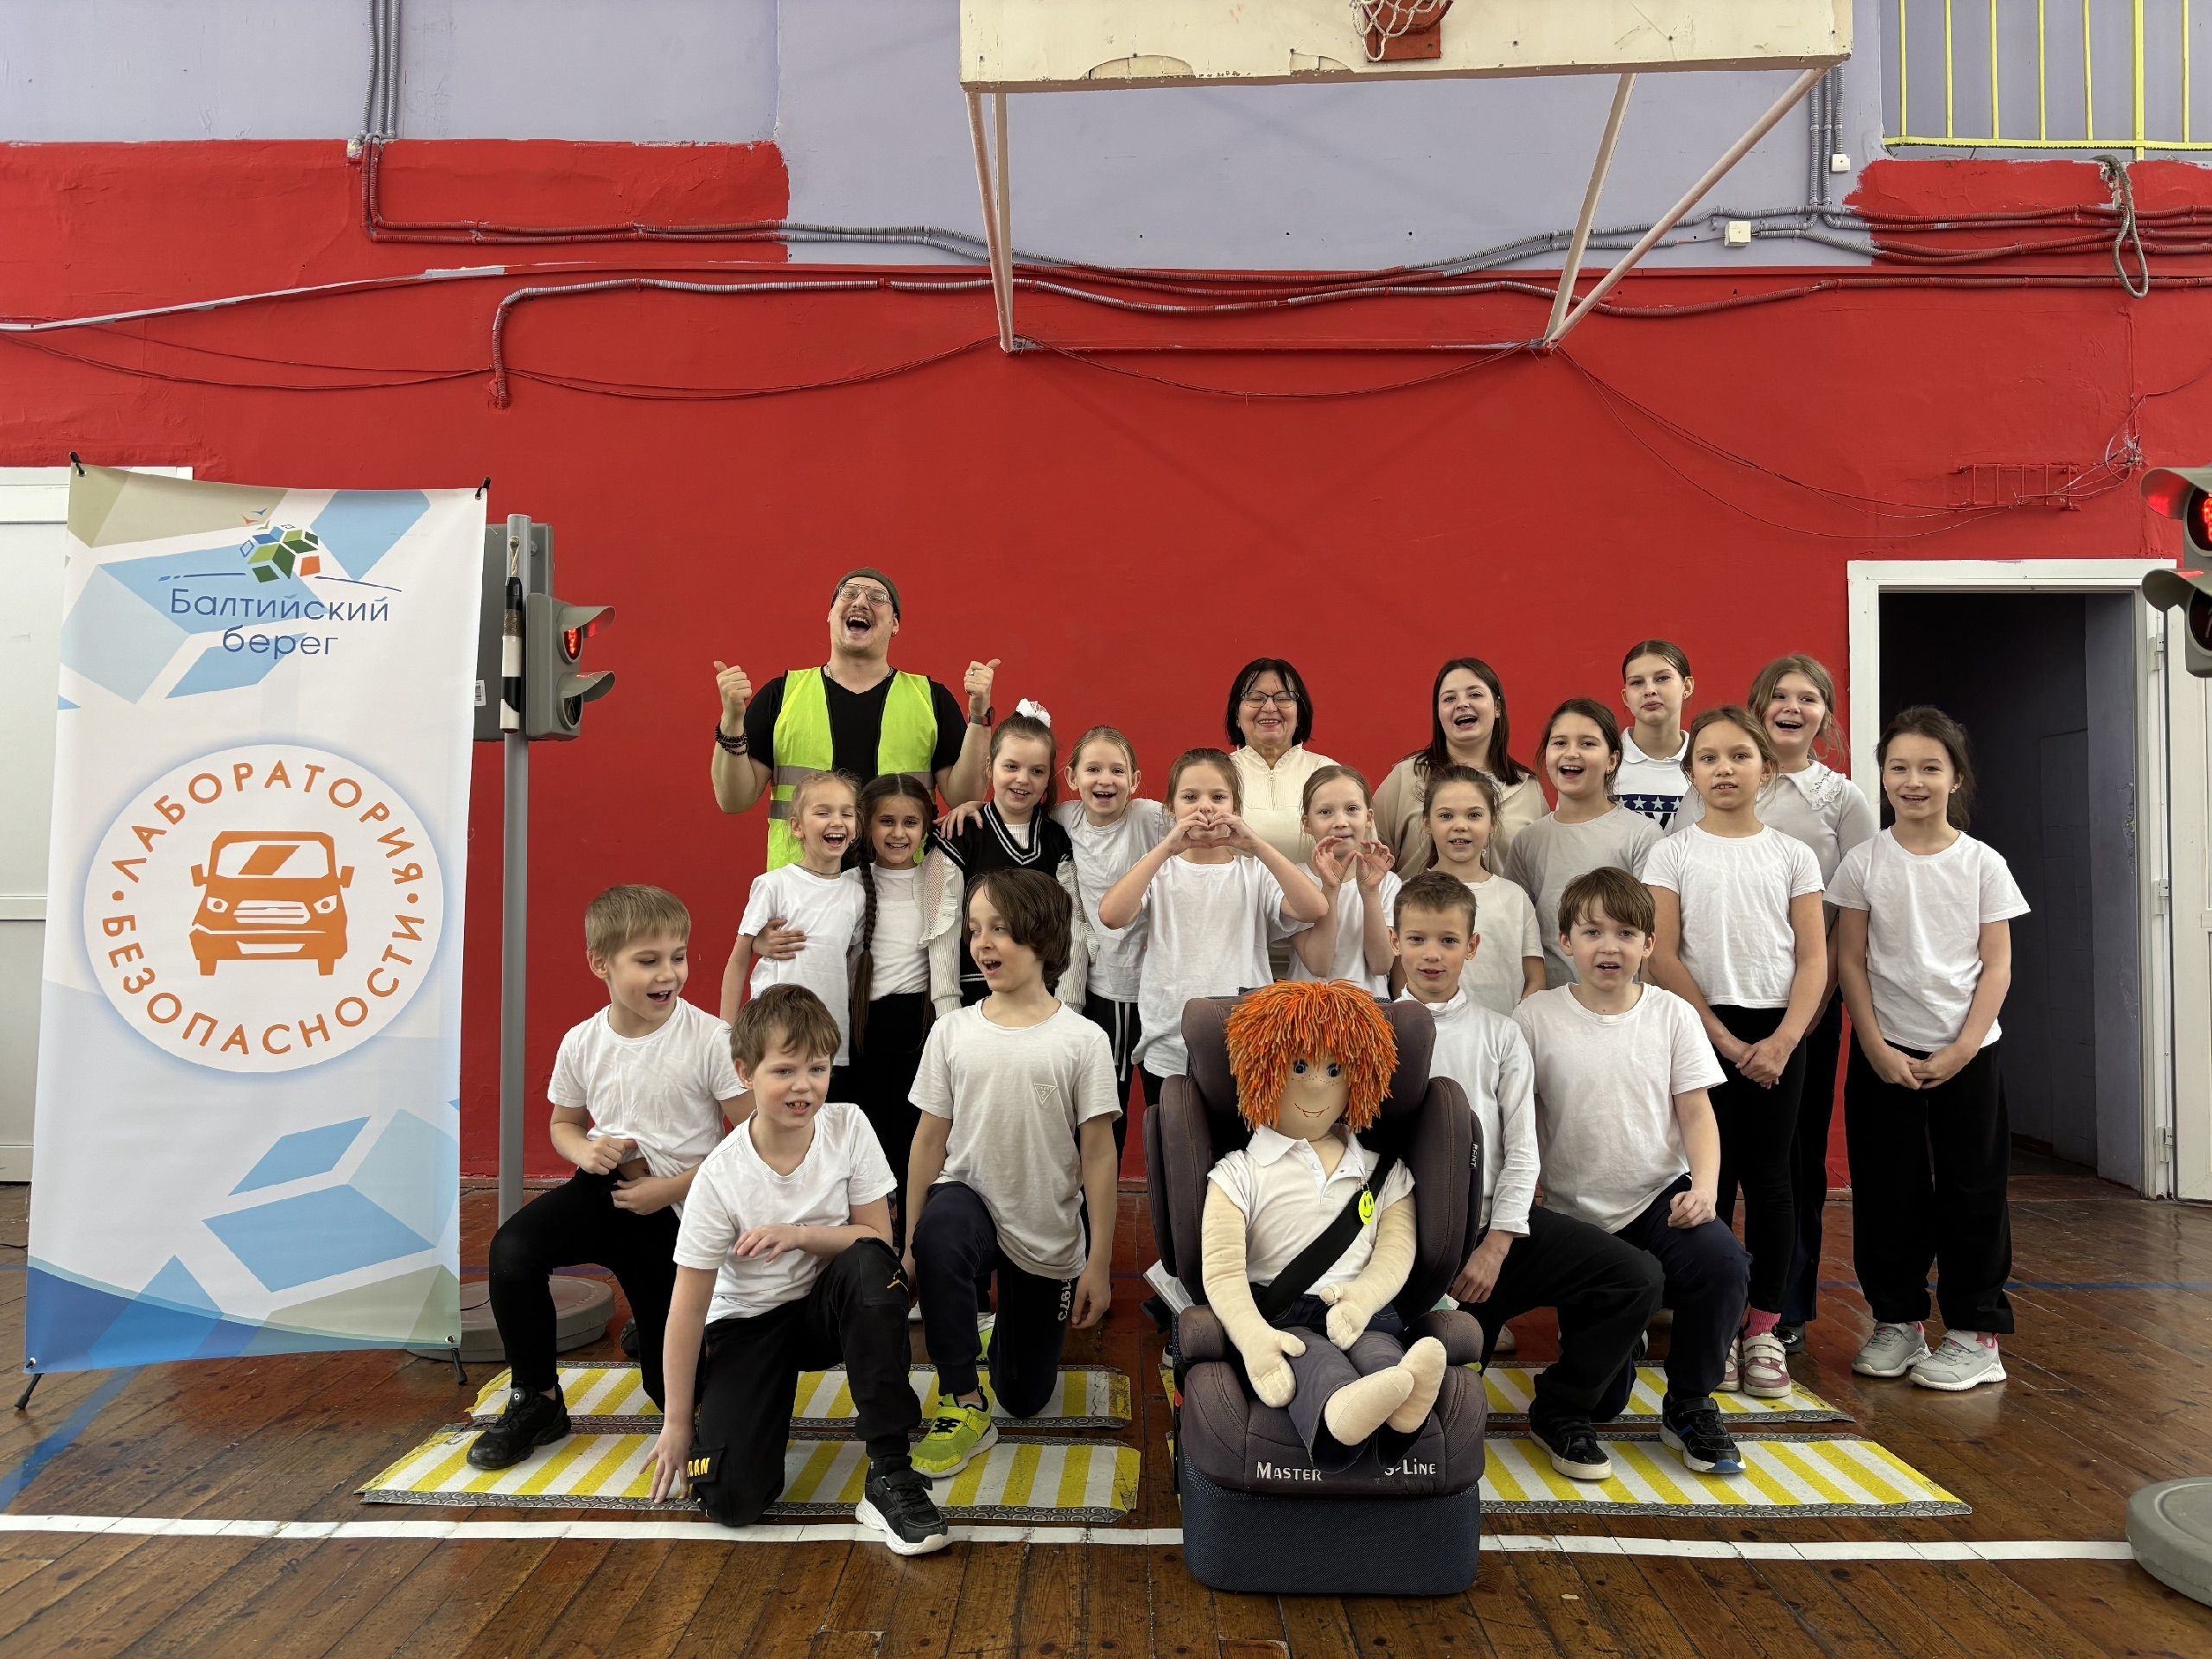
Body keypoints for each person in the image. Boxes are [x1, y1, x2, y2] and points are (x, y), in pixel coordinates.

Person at [646, 986, 949, 1554]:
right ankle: (738, 1407)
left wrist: (799, 1235)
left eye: (817, 1068)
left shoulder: (848, 1126)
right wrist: (677, 1423)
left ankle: (890, 1469)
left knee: (872, 1268)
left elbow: (876, 1240)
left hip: (822, 1313)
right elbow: (686, 1310)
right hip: (749, 1324)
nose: (804, 1085)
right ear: (745, 1073)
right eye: (784, 1070)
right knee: (733, 1502)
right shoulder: (720, 1176)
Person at [1392, 871, 1664, 1483]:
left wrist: (1496, 1244)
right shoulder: (1372, 1031)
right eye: (1417, 939)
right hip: (1405, 1250)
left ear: (1472, 947)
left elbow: (1522, 1150)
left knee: (1636, 1277)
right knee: (1430, 1411)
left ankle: (1562, 1407)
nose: (1432, 954)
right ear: (1394, 941)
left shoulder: (1500, 1034)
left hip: (1492, 1242)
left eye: (1448, 940)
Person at [470, 886, 746, 1471]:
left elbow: (750, 1139)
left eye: (678, 956)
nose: (668, 973)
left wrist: (671, 1189)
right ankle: (537, 1399)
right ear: (601, 964)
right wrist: (586, 1149)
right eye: (648, 960)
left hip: (677, 1208)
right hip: (604, 1194)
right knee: (513, 1251)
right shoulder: (583, 1041)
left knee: (674, 1393)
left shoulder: (710, 1039)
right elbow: (564, 1124)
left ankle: (664, 1336)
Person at [1511, 868, 1751, 1477]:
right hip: (1571, 1215)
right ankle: (1561, 1405)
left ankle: (1690, 1404)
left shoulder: (1672, 1014)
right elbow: (1517, 1113)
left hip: (1655, 1198)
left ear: (1649, 944)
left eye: (1625, 933)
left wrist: (1705, 1187)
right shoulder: (1536, 1016)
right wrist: (1523, 1184)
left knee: (1722, 1261)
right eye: (1592, 932)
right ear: (1565, 941)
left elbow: (1696, 1112)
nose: (1609, 947)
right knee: (1605, 1403)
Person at [1671, 654, 1875, 1353]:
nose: (1793, 706)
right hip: (1712, 1017)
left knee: (1787, 1168)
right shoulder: (1692, 821)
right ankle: (1714, 1308)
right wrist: (1722, 1036)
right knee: (1713, 1166)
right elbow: (1674, 934)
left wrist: (1798, 1026)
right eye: (1779, 695)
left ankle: (1779, 1313)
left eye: (1808, 697)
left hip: (1800, 1011)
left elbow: (1842, 922)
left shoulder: (1835, 806)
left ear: (1825, 715)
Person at [1831, 706, 2028, 1392]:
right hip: (1885, 1053)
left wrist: (1964, 1048)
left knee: (1974, 1190)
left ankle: (1976, 1334)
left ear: (1955, 778)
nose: (1913, 781)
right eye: (1899, 768)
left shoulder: (1983, 864)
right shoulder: (1863, 862)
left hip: (1967, 1055)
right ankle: (1898, 1321)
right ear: (1883, 777)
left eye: (1929, 768)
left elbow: (1997, 966)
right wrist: (1875, 1046)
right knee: (1888, 1191)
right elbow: (1850, 961)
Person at [906, 869, 1122, 1478]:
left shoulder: (1083, 1039)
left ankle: (1004, 1338)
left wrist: (1099, 1262)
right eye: (976, 929)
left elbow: (1099, 1155)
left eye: (1000, 928)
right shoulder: (951, 1031)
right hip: (967, 1200)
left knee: (1025, 1398)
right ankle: (963, 1400)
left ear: (1043, 937)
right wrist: (910, 1242)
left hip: (1045, 1229)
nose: (983, 943)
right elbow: (928, 1140)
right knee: (941, 1232)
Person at [1642, 709, 1827, 1399]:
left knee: (1772, 1182)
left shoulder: (1794, 855)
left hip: (1779, 1035)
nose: (1724, 769)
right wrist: (1718, 1036)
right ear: (1691, 774)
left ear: (1765, 770)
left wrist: (1785, 1039)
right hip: (1700, 1027)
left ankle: (1765, 1328)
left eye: (1739, 756)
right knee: (1707, 1183)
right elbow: (1663, 953)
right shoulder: (1672, 853)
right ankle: (1714, 1325)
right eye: (1710, 758)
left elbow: (1813, 958)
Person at [709, 567, 997, 868]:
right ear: (830, 614)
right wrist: (732, 721)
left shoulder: (930, 699)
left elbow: (965, 798)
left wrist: (979, 716)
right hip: (803, 885)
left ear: (895, 624)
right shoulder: (782, 695)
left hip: (901, 882)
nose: (860, 602)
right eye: (848, 594)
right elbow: (733, 800)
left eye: (877, 597)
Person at [1099, 749, 1330, 1112]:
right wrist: (1165, 848)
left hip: (1248, 1041)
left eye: (1218, 797)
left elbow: (1314, 908)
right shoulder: (1159, 870)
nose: (1204, 807)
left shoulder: (1253, 873)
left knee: (1244, 1143)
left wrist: (1256, 844)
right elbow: (1111, 915)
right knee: (1175, 1138)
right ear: (1171, 809)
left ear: (1237, 808)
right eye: (1190, 797)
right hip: (1169, 1044)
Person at [845, 774, 961, 1249]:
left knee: (915, 1138)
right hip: (861, 1028)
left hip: (919, 1026)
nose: (898, 833)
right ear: (866, 826)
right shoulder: (849, 883)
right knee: (868, 1139)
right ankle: (874, 1242)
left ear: (927, 826)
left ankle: (914, 1242)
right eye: (886, 822)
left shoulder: (940, 877)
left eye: (910, 822)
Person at [1052, 727, 1168, 1160]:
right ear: (1072, 777)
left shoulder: (1151, 818)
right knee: (1105, 1108)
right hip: (1104, 988)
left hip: (1156, 987)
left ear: (1134, 781)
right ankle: (1097, 1195)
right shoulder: (1064, 818)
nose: (1106, 780)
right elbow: (1015, 811)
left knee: (1165, 1105)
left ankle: (1171, 1191)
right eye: (1093, 769)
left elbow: (1200, 823)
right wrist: (971, 805)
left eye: (1117, 771)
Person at [931, 706, 1087, 1008]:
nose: (1023, 779)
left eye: (1037, 771)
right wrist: (948, 1012)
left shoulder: (1057, 839)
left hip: (1043, 998)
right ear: (990, 768)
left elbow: (1074, 927)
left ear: (1048, 777)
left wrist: (1068, 1008)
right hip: (974, 996)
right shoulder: (960, 835)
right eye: (1011, 767)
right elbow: (942, 929)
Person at [1503, 700, 1662, 988]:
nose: (1571, 753)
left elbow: (1654, 936)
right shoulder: (1528, 840)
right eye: (1560, 742)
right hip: (1551, 1001)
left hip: (1622, 1000)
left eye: (1588, 743)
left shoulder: (1642, 835)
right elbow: (1518, 935)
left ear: (1612, 760)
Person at [719, 774, 865, 1068]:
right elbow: (738, 959)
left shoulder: (856, 893)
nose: (837, 821)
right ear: (797, 827)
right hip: (774, 1033)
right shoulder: (774, 885)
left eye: (846, 814)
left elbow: (852, 967)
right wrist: (724, 1036)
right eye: (823, 813)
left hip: (829, 1039)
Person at [1375, 658, 1547, 875]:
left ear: (1497, 707)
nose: (1462, 704)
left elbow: (1541, 872)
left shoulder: (1528, 788)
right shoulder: (1407, 776)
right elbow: (1370, 855)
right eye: (1449, 698)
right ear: (1438, 713)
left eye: (1474, 694)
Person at [1419, 765, 1544, 1015]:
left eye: (1474, 815)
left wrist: (1510, 1029)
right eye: (1446, 816)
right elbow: (1403, 981)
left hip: (1504, 1034)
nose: (1460, 825)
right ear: (1427, 823)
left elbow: (1536, 979)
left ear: (1492, 823)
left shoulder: (1514, 897)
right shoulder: (1409, 895)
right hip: (1434, 1034)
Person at [1288, 765, 1401, 996]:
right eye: (1325, 812)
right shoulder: (1296, 879)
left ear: (1368, 818)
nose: (1340, 822)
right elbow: (1319, 965)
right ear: (1307, 823)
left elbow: (1381, 965)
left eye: (1352, 809)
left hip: (1369, 1008)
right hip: (1308, 1009)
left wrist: (1370, 892)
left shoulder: (1388, 883)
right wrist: (1331, 889)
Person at [1617, 640, 1696, 828]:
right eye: (1637, 682)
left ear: (1687, 686)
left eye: (1662, 678)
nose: (1650, 690)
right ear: (1626, 697)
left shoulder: (1708, 762)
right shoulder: (1602, 764)